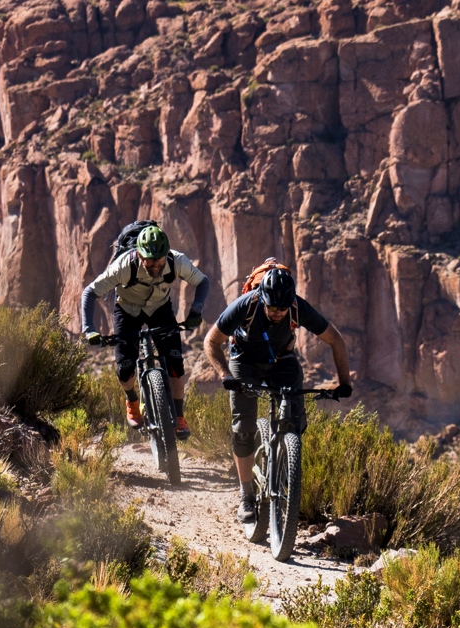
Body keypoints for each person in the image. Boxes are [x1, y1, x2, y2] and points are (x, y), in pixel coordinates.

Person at [203, 265, 352, 524]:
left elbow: (336, 340)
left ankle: (284, 464)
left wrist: (344, 382)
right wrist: (225, 375)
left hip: (281, 359)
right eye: (272, 308)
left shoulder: (297, 307)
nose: (278, 313)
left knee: (296, 420)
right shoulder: (245, 305)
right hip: (244, 360)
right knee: (243, 427)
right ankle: (246, 495)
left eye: (282, 309)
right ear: (262, 298)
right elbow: (211, 341)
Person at [81, 223, 210, 439]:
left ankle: (178, 416)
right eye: (149, 259)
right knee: (125, 367)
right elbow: (90, 292)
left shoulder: (177, 261)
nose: (156, 264)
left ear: (167, 253)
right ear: (139, 254)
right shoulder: (123, 266)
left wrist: (196, 310)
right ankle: (132, 399)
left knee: (176, 362)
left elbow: (202, 282)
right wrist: (89, 329)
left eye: (159, 258)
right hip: (127, 309)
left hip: (160, 308)